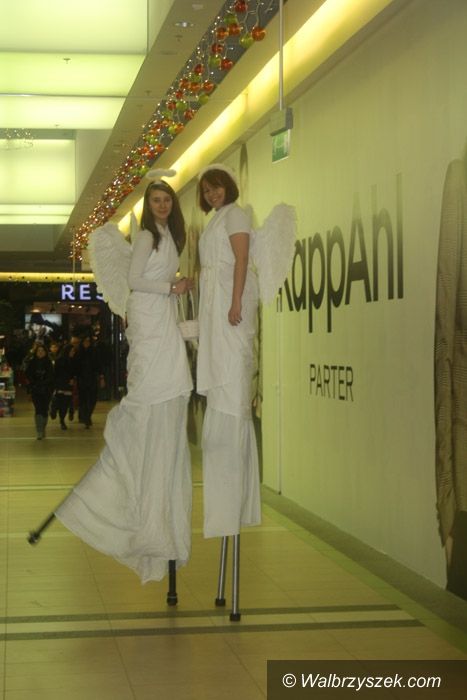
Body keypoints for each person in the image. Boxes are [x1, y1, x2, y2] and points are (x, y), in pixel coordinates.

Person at [55, 175, 194, 583]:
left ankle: (157, 515)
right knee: (151, 401)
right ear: (149, 206)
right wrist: (171, 287)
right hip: (151, 322)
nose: (162, 205)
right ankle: (136, 506)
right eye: (156, 200)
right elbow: (134, 281)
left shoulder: (170, 237)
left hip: (161, 321)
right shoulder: (147, 237)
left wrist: (175, 299)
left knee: (167, 399)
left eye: (166, 199)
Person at [196, 163, 261, 538]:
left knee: (232, 382)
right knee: (220, 378)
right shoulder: (215, 220)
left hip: (228, 306)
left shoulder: (236, 214)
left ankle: (234, 497)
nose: (212, 194)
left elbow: (241, 259)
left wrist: (235, 301)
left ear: (229, 186)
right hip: (215, 306)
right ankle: (224, 495)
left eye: (216, 187)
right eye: (207, 190)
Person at [25, 344, 54, 439]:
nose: (40, 352)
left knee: (44, 409)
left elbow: (51, 377)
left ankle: (43, 427)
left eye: (42, 351)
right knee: (38, 409)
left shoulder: (49, 363)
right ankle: (39, 431)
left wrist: (45, 384)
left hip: (46, 390)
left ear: (45, 352)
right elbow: (28, 376)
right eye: (38, 351)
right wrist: (32, 386)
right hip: (35, 390)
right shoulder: (32, 363)